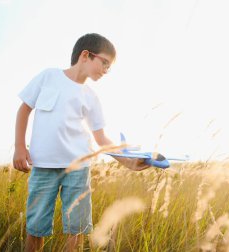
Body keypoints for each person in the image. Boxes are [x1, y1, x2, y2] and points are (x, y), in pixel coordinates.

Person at [13, 33, 150, 252]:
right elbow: (24, 109)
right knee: (36, 226)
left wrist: (128, 162)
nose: (106, 70)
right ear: (86, 55)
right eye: (104, 63)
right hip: (43, 166)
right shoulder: (48, 76)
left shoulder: (91, 97)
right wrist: (19, 146)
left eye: (109, 67)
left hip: (78, 169)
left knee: (76, 227)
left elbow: (101, 138)